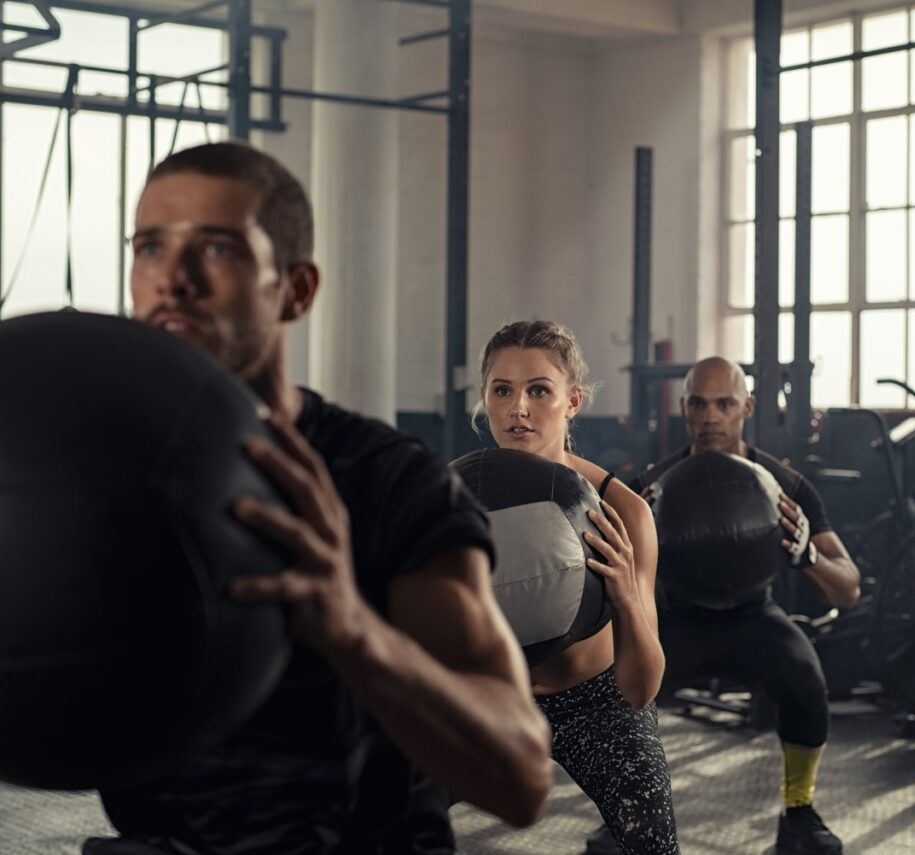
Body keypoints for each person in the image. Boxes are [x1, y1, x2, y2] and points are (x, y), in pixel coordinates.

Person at [84, 142, 553, 854]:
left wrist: (350, 624)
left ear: (296, 290)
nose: (171, 280)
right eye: (150, 247)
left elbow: (520, 777)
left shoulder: (389, 478)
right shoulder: (105, 470)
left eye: (216, 248)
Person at [637, 356, 861, 855]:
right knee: (616, 688)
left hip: (752, 617)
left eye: (725, 404)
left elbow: (848, 588)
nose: (711, 416)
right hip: (678, 619)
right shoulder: (654, 485)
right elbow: (606, 579)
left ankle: (799, 815)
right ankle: (625, 816)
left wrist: (808, 556)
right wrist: (638, 537)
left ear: (747, 408)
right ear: (684, 408)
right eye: (699, 404)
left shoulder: (785, 485)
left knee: (805, 678)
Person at [475, 321, 679, 855]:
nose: (519, 407)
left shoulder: (624, 513)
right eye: (503, 390)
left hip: (595, 701)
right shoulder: (454, 498)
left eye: (539, 390)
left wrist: (627, 598)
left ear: (572, 402)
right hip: (492, 697)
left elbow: (640, 689)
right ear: (485, 400)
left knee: (651, 830)